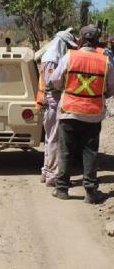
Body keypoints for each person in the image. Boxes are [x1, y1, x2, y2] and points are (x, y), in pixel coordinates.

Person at [50, 25, 114, 204]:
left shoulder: (69, 56)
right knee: (90, 152)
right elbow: (110, 88)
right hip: (93, 114)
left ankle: (62, 188)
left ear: (80, 39)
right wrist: (98, 95)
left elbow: (55, 80)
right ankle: (91, 192)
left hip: (69, 111)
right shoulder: (105, 61)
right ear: (96, 41)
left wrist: (66, 88)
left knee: (66, 151)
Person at [36, 29, 78, 187]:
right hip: (53, 102)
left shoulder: (50, 55)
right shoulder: (53, 58)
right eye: (68, 45)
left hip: (49, 102)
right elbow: (52, 82)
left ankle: (46, 171)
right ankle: (53, 177)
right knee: (55, 140)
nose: (69, 48)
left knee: (50, 139)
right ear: (62, 43)